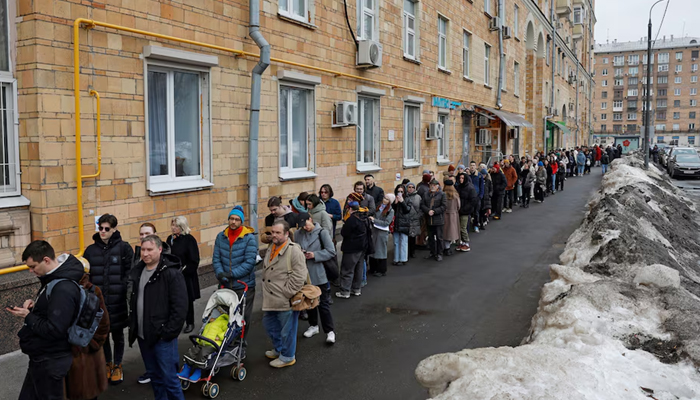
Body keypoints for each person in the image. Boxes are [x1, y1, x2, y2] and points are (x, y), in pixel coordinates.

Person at [10, 241, 83, 400]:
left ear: (46, 260)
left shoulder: (63, 288)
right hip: (42, 358)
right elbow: (52, 311)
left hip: (51, 361)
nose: (31, 271)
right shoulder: (53, 279)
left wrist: (27, 316)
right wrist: (35, 307)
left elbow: (55, 329)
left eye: (33, 266)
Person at [128, 235, 187, 400]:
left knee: (170, 380)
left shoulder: (171, 273)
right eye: (143, 250)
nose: (145, 254)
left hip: (162, 339)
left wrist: (167, 333)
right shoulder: (138, 271)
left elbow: (180, 307)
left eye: (150, 250)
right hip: (143, 336)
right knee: (156, 379)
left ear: (160, 249)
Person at [83, 213, 134, 385]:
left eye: (106, 229)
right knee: (103, 335)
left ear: (114, 229)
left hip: (117, 300)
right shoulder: (90, 250)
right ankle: (107, 363)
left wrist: (122, 288)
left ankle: (118, 365)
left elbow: (130, 271)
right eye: (100, 228)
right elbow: (86, 275)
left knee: (118, 334)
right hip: (98, 301)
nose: (103, 231)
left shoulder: (124, 248)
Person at [212, 205, 258, 352]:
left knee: (242, 317)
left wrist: (232, 274)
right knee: (224, 316)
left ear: (241, 221)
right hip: (225, 284)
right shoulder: (221, 236)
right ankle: (224, 341)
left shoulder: (249, 238)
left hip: (243, 285)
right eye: (231, 218)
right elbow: (216, 258)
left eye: (237, 219)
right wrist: (220, 273)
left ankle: (241, 343)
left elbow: (250, 262)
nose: (233, 222)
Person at [262, 221, 307, 368]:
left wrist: (287, 293)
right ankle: (279, 349)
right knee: (270, 325)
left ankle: (287, 356)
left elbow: (300, 276)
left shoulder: (294, 250)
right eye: (272, 232)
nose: (273, 235)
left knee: (287, 331)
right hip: (270, 298)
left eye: (277, 233)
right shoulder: (272, 247)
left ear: (287, 234)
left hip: (284, 299)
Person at [65, 271, 110, 400]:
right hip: (83, 352)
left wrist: (94, 343)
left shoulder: (92, 291)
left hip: (86, 352)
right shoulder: (63, 289)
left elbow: (103, 323)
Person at [294, 213, 337, 345]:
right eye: (302, 226)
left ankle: (329, 331)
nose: (305, 228)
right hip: (304, 273)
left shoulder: (322, 233)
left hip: (319, 272)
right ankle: (313, 326)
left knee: (323, 303)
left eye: (306, 225)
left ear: (310, 219)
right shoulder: (297, 234)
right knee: (309, 301)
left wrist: (315, 254)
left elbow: (331, 251)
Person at [167, 216, 200, 334]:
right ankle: (176, 322)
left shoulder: (189, 239)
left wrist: (184, 271)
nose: (173, 228)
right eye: (172, 225)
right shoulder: (170, 239)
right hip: (172, 275)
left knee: (187, 300)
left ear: (182, 227)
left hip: (186, 275)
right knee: (174, 300)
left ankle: (190, 322)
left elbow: (194, 259)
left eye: (176, 226)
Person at [336, 202, 370, 298]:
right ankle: (356, 289)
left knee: (347, 269)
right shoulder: (364, 217)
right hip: (362, 247)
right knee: (358, 269)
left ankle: (345, 291)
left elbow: (344, 232)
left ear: (350, 209)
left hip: (351, 248)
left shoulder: (351, 219)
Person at [369, 193, 395, 277]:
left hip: (382, 232)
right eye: (384, 198)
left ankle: (381, 270)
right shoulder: (378, 207)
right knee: (373, 249)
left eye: (387, 199)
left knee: (381, 250)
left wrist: (374, 220)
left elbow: (386, 222)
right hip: (375, 231)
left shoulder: (390, 211)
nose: (384, 200)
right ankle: (373, 268)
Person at [421, 179, 447, 262]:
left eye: (434, 185)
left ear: (437, 186)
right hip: (429, 219)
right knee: (430, 237)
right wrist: (428, 210)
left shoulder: (442, 194)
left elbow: (444, 206)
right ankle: (432, 252)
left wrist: (434, 211)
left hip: (438, 219)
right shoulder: (426, 194)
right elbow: (422, 205)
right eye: (431, 185)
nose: (432, 186)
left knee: (439, 238)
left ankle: (439, 253)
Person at [455, 173, 477, 252]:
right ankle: (461, 242)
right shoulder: (458, 187)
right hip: (458, 210)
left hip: (465, 211)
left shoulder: (470, 188)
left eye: (462, 178)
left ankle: (466, 243)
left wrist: (465, 209)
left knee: (463, 228)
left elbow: (473, 200)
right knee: (459, 228)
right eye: (460, 178)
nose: (461, 180)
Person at [392, 185, 411, 265]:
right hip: (396, 222)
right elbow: (391, 210)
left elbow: (407, 210)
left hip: (404, 222)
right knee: (396, 242)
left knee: (403, 241)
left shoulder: (407, 199)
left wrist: (402, 202)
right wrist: (395, 204)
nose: (400, 193)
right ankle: (396, 258)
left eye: (401, 192)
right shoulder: (394, 199)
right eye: (398, 191)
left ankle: (403, 259)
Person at [441, 179, 461, 256]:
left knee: (444, 232)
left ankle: (445, 247)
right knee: (451, 232)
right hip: (453, 214)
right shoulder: (456, 195)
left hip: (444, 214)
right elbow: (459, 206)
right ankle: (448, 248)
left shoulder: (443, 194)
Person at [404, 182, 422, 258]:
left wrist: (418, 216)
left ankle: (412, 251)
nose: (411, 189)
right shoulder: (404, 197)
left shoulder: (418, 197)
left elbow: (421, 208)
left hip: (415, 219)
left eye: (412, 187)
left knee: (413, 236)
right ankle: (406, 252)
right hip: (406, 219)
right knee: (406, 237)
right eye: (409, 187)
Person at [468, 162, 484, 233]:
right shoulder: (467, 175)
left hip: (477, 196)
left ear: (476, 166)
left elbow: (482, 187)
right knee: (468, 212)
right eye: (471, 165)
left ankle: (476, 225)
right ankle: (468, 226)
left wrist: (480, 196)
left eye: (473, 165)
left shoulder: (479, 175)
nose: (472, 167)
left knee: (476, 212)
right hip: (469, 197)